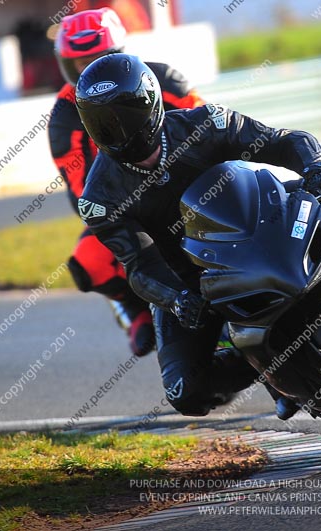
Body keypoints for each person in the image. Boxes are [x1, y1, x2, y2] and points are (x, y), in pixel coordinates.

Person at [75, 54, 321, 419]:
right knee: (185, 392)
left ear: (150, 106)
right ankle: (270, 370)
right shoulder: (99, 199)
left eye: (124, 116)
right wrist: (176, 298)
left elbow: (285, 140)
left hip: (262, 224)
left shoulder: (206, 124)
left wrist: (317, 167)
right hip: (194, 279)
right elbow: (139, 265)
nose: (116, 131)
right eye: (102, 123)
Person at [48, 8, 204, 357]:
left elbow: (209, 125)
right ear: (66, 66)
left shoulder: (164, 78)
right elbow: (81, 192)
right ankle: (134, 310)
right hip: (130, 207)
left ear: (118, 52)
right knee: (89, 260)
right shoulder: (64, 114)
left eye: (98, 59)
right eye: (81, 64)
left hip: (193, 188)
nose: (91, 72)